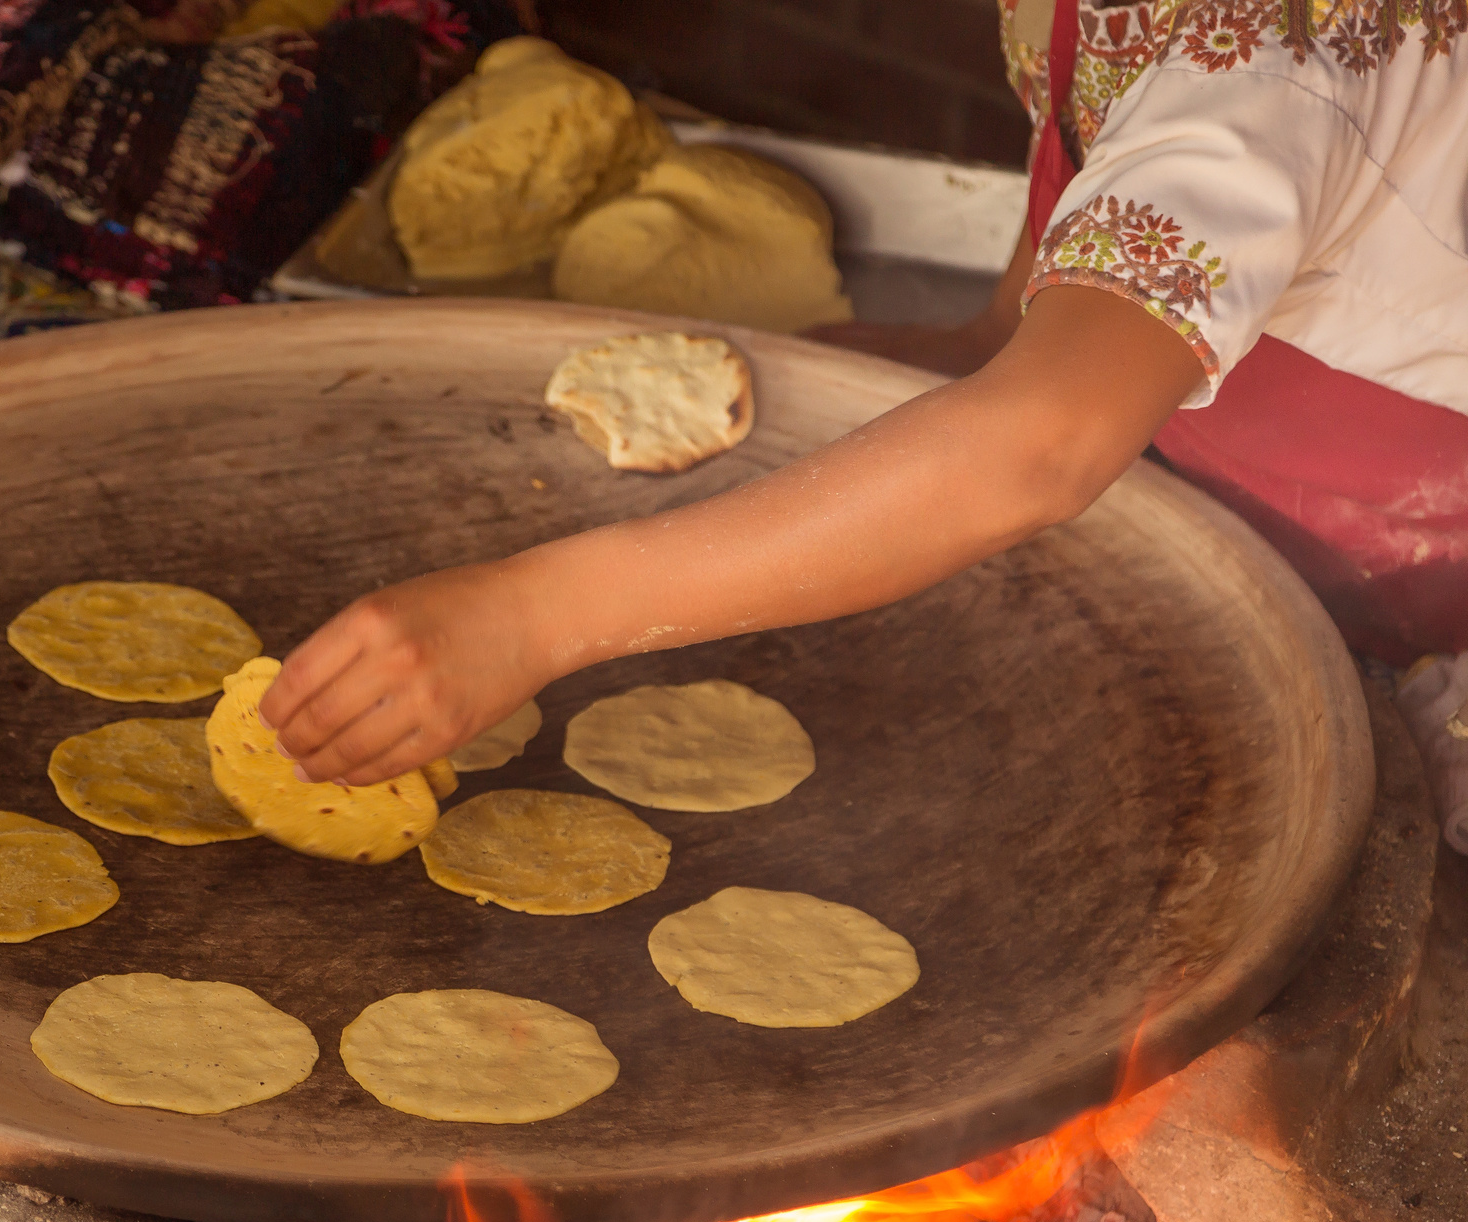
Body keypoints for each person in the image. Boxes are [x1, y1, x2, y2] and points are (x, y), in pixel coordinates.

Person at [261, 0, 1468, 791]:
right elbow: (1039, 320)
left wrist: (531, 616)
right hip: (1232, 519)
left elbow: (1043, 439)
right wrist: (822, 390)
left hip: (1418, 609)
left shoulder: (1267, 48)